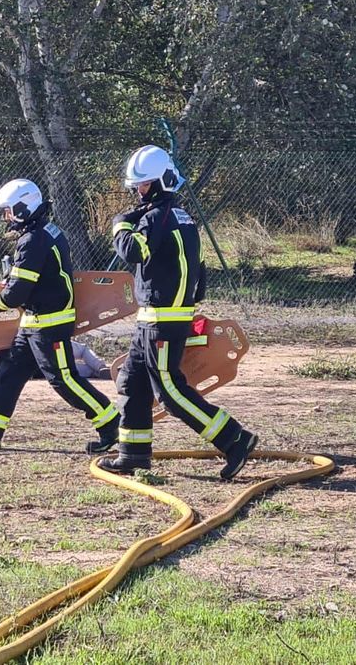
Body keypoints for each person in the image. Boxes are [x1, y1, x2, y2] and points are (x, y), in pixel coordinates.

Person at [92, 145, 258, 479]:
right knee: (131, 382)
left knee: (169, 392)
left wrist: (120, 225)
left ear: (159, 183)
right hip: (158, 319)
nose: (137, 191)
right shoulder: (183, 218)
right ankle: (134, 455)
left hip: (161, 322)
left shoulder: (156, 218)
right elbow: (200, 274)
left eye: (142, 185)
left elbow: (131, 251)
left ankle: (234, 438)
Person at [0, 178, 120, 449]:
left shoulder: (33, 239)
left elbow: (17, 291)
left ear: (23, 208)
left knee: (64, 380)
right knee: (9, 372)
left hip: (50, 324)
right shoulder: (45, 231)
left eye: (8, 210)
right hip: (33, 322)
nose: (6, 217)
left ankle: (110, 422)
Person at [0, 341, 109, 380]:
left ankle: (98, 371)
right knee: (81, 350)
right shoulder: (0, 347)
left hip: (42, 369)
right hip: (43, 345)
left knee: (77, 370)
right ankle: (101, 367)